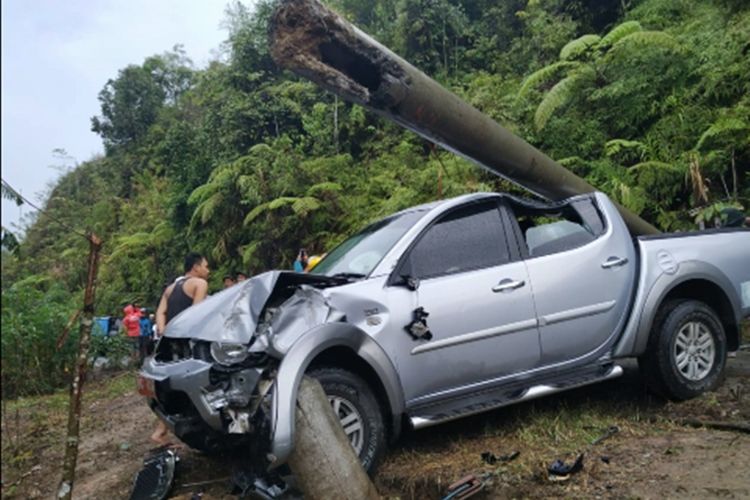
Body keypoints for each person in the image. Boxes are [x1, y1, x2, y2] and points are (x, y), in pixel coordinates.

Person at [151, 252, 210, 446]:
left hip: (171, 343)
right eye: (205, 266)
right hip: (190, 342)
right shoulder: (199, 284)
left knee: (172, 386)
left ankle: (160, 431)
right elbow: (197, 313)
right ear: (195, 267)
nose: (208, 271)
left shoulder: (170, 288)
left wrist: (163, 330)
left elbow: (160, 312)